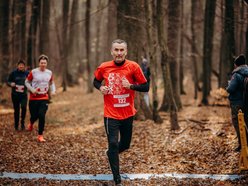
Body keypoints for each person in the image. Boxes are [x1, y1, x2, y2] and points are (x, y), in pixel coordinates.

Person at [93, 39, 149, 185]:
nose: (119, 53)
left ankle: (111, 154)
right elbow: (96, 81)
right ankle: (117, 179)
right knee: (112, 143)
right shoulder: (104, 67)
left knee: (124, 145)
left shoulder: (134, 66)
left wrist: (130, 86)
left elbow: (146, 86)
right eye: (116, 50)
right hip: (110, 114)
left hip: (127, 114)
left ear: (126, 52)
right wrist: (100, 88)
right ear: (112, 51)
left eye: (121, 50)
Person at [25, 54, 56, 142]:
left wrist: (53, 90)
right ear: (39, 63)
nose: (43, 64)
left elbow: (52, 82)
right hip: (33, 98)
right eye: (41, 63)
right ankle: (31, 123)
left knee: (42, 115)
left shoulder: (49, 72)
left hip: (44, 98)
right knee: (34, 116)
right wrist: (32, 90)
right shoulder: (33, 72)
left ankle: (40, 135)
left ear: (46, 64)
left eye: (45, 63)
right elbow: (26, 82)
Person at [226, 54, 248, 152]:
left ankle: (242, 144)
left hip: (237, 103)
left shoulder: (236, 74)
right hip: (245, 102)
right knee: (246, 122)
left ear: (236, 65)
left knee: (238, 123)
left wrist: (228, 85)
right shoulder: (246, 72)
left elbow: (231, 89)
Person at [7, 59, 29, 130]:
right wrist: (11, 84)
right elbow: (8, 81)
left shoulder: (27, 73)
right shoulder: (13, 73)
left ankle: (22, 123)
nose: (21, 66)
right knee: (16, 110)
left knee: (24, 108)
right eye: (20, 65)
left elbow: (31, 81)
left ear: (24, 66)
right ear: (18, 66)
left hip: (24, 95)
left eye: (22, 65)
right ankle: (16, 125)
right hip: (15, 95)